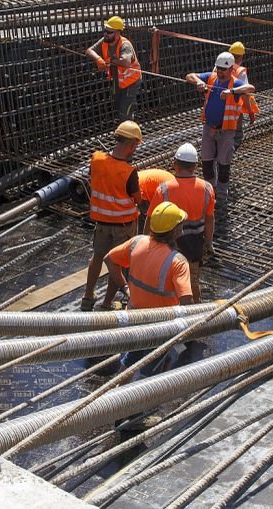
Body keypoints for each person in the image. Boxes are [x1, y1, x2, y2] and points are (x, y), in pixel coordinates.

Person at [105, 201, 195, 374]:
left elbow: (109, 259)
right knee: (153, 368)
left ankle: (118, 392)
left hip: (135, 317)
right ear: (175, 230)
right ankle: (149, 395)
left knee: (130, 361)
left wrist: (125, 288)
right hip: (161, 326)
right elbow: (187, 301)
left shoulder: (137, 242)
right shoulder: (178, 262)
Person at [81, 120, 143, 311]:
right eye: (135, 146)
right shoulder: (129, 172)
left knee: (97, 257)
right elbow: (138, 199)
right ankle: (107, 303)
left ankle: (88, 296)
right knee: (117, 264)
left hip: (101, 223)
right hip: (123, 226)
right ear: (132, 144)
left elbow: (97, 180)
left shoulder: (96, 160)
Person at [186, 51, 255, 202]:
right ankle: (211, 191)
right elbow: (189, 75)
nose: (220, 72)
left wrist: (232, 91)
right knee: (207, 161)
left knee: (224, 163)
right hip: (209, 127)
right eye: (218, 69)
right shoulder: (212, 78)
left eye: (223, 70)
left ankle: (222, 194)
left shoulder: (235, 83)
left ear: (231, 69)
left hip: (226, 131)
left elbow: (250, 88)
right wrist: (198, 81)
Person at [155, 143, 216, 302]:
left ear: (175, 164)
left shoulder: (163, 189)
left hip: (169, 244)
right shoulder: (207, 188)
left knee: (168, 280)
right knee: (192, 281)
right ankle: (194, 310)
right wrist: (208, 242)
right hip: (195, 245)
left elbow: (152, 219)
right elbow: (210, 219)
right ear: (195, 166)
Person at [85, 16, 143, 120]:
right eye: (105, 31)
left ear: (117, 33)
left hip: (131, 82)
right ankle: (127, 128)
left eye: (109, 32)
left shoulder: (125, 45)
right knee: (119, 107)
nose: (105, 34)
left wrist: (110, 61)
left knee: (125, 111)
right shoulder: (105, 41)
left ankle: (129, 133)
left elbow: (126, 62)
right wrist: (98, 59)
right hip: (117, 81)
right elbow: (89, 51)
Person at [227, 41, 260, 150]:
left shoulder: (219, 67)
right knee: (236, 135)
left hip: (221, 106)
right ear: (241, 57)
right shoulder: (240, 71)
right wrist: (250, 112)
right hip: (235, 108)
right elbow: (246, 93)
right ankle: (227, 158)